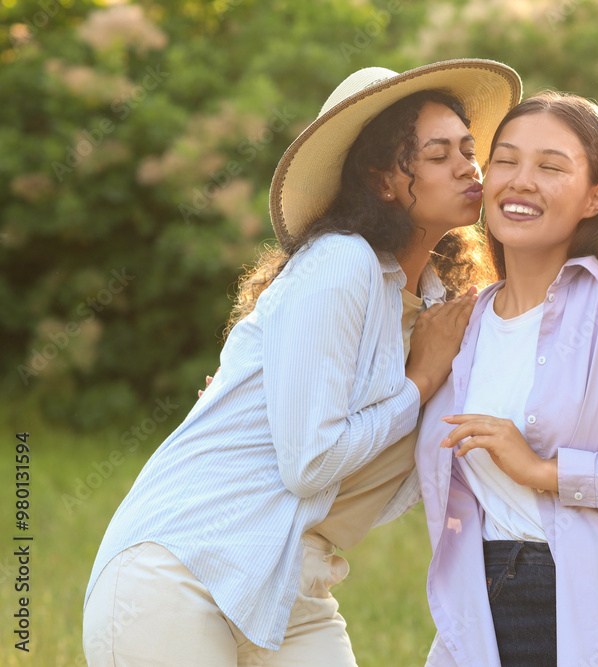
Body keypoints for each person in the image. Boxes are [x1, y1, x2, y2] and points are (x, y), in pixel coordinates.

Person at [82, 59, 521, 666]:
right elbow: (310, 462)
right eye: (437, 153)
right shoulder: (343, 263)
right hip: (187, 566)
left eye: (470, 149)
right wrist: (418, 383)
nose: (468, 167)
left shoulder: (440, 309)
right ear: (382, 180)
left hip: (293, 584)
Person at [414, 92, 598, 667]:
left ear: (595, 197)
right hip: (479, 604)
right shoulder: (465, 320)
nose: (521, 180)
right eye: (505, 160)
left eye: (551, 167)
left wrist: (547, 473)